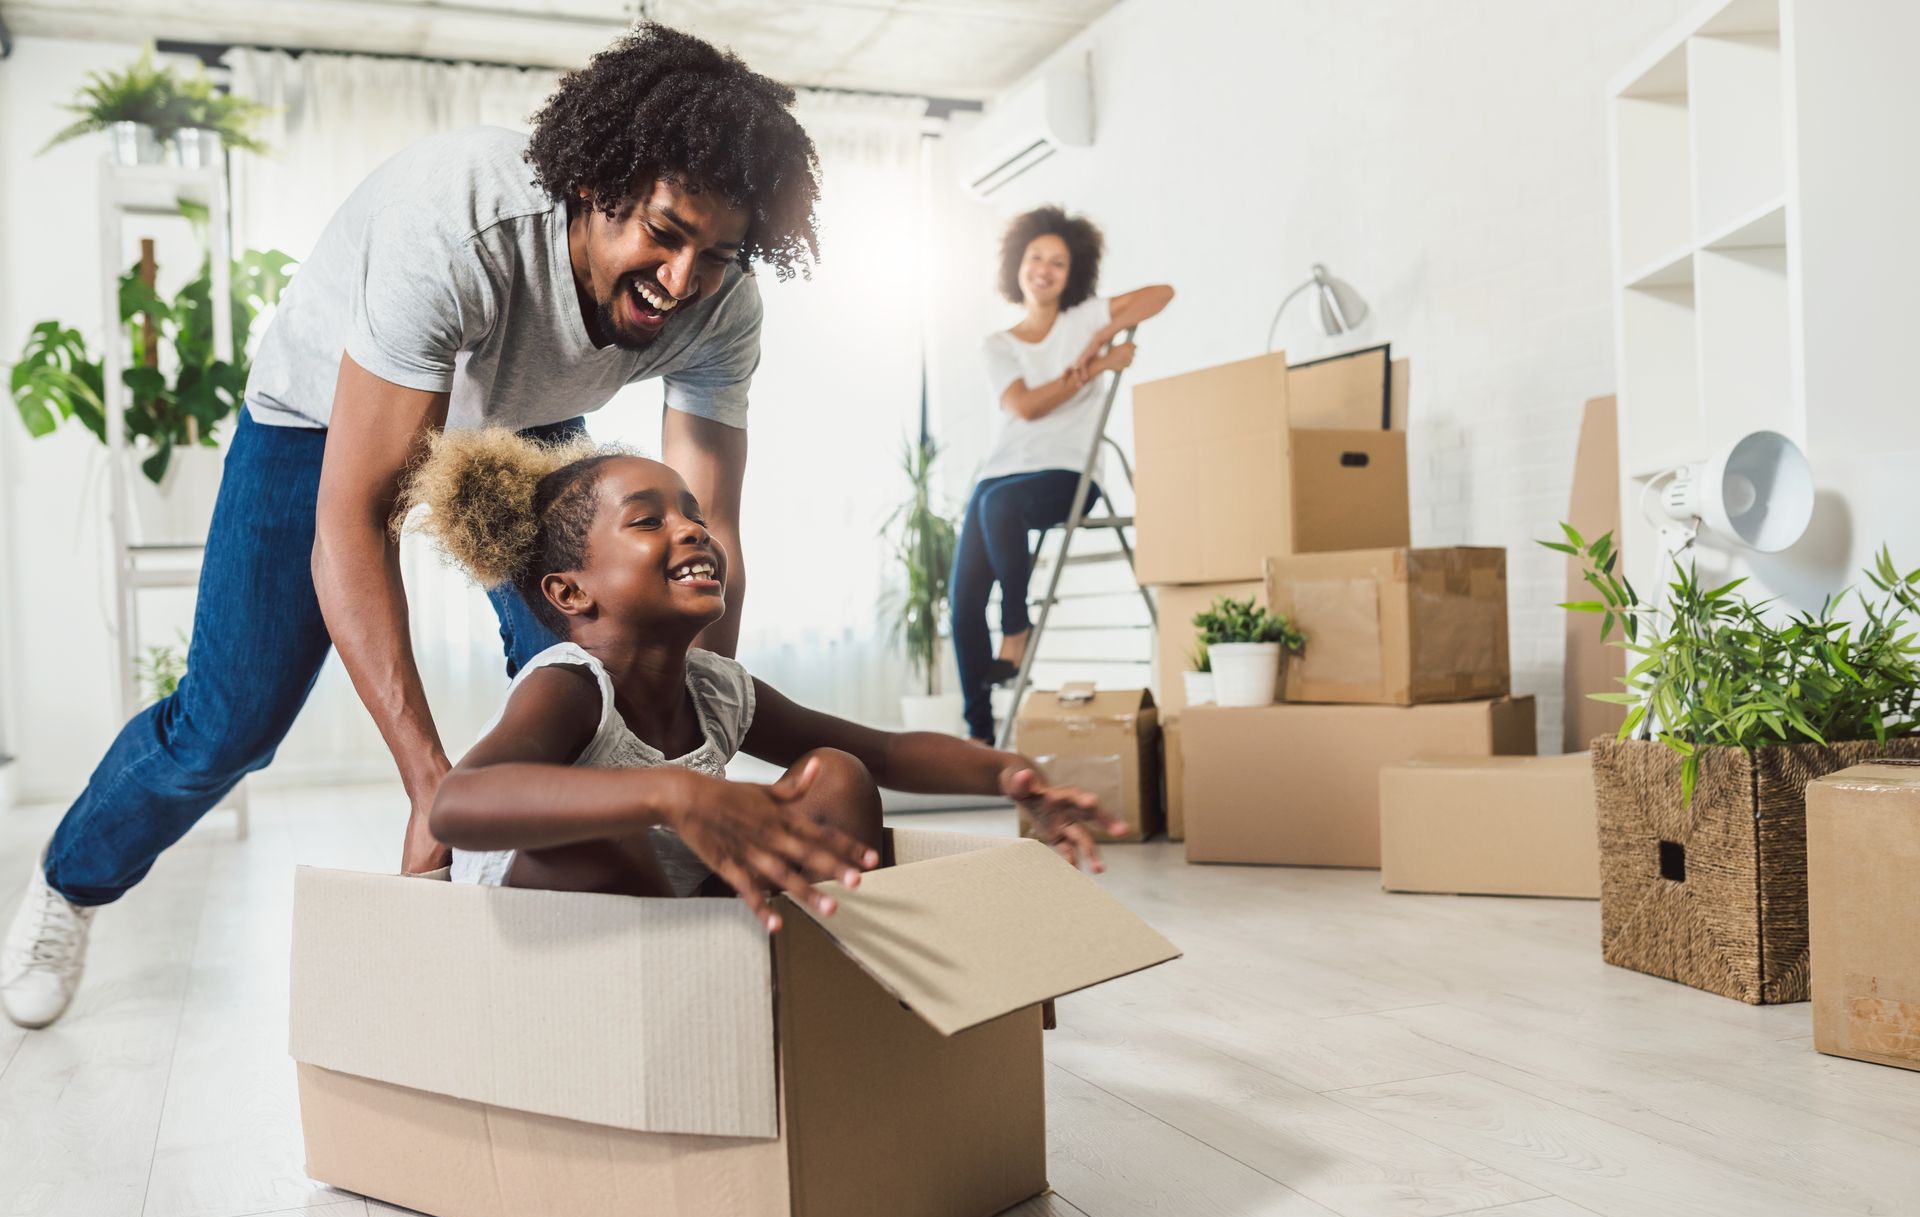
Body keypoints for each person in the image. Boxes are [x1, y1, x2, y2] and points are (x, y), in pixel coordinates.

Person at [1, 25, 820, 1029]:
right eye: (664, 232)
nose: (683, 280)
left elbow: (707, 536)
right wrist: (431, 787)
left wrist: (697, 750)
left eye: (718, 253)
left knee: (601, 651)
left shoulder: (722, 304)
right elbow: (356, 517)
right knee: (229, 723)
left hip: (527, 419)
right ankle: (70, 883)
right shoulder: (461, 224)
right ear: (600, 186)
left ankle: (579, 944)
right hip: (321, 422)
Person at [413, 429, 1124, 930]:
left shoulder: (715, 689)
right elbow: (456, 804)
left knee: (836, 776)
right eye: (648, 521)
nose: (692, 530)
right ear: (571, 594)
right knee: (612, 831)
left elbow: (885, 753)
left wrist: (1008, 772)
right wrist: (671, 790)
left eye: (693, 514)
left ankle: (811, 983)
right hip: (546, 921)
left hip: (679, 909)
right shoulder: (569, 685)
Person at [948, 206, 1173, 744]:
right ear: (1017, 265)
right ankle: (979, 736)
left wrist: (1101, 336)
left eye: (1058, 261)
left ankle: (1017, 628)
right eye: (1035, 258)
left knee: (997, 504)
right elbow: (1024, 407)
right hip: (1000, 475)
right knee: (962, 604)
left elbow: (1161, 293)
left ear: (1074, 273)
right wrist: (1097, 368)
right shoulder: (998, 344)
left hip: (1067, 476)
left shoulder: (1084, 317)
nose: (1044, 269)